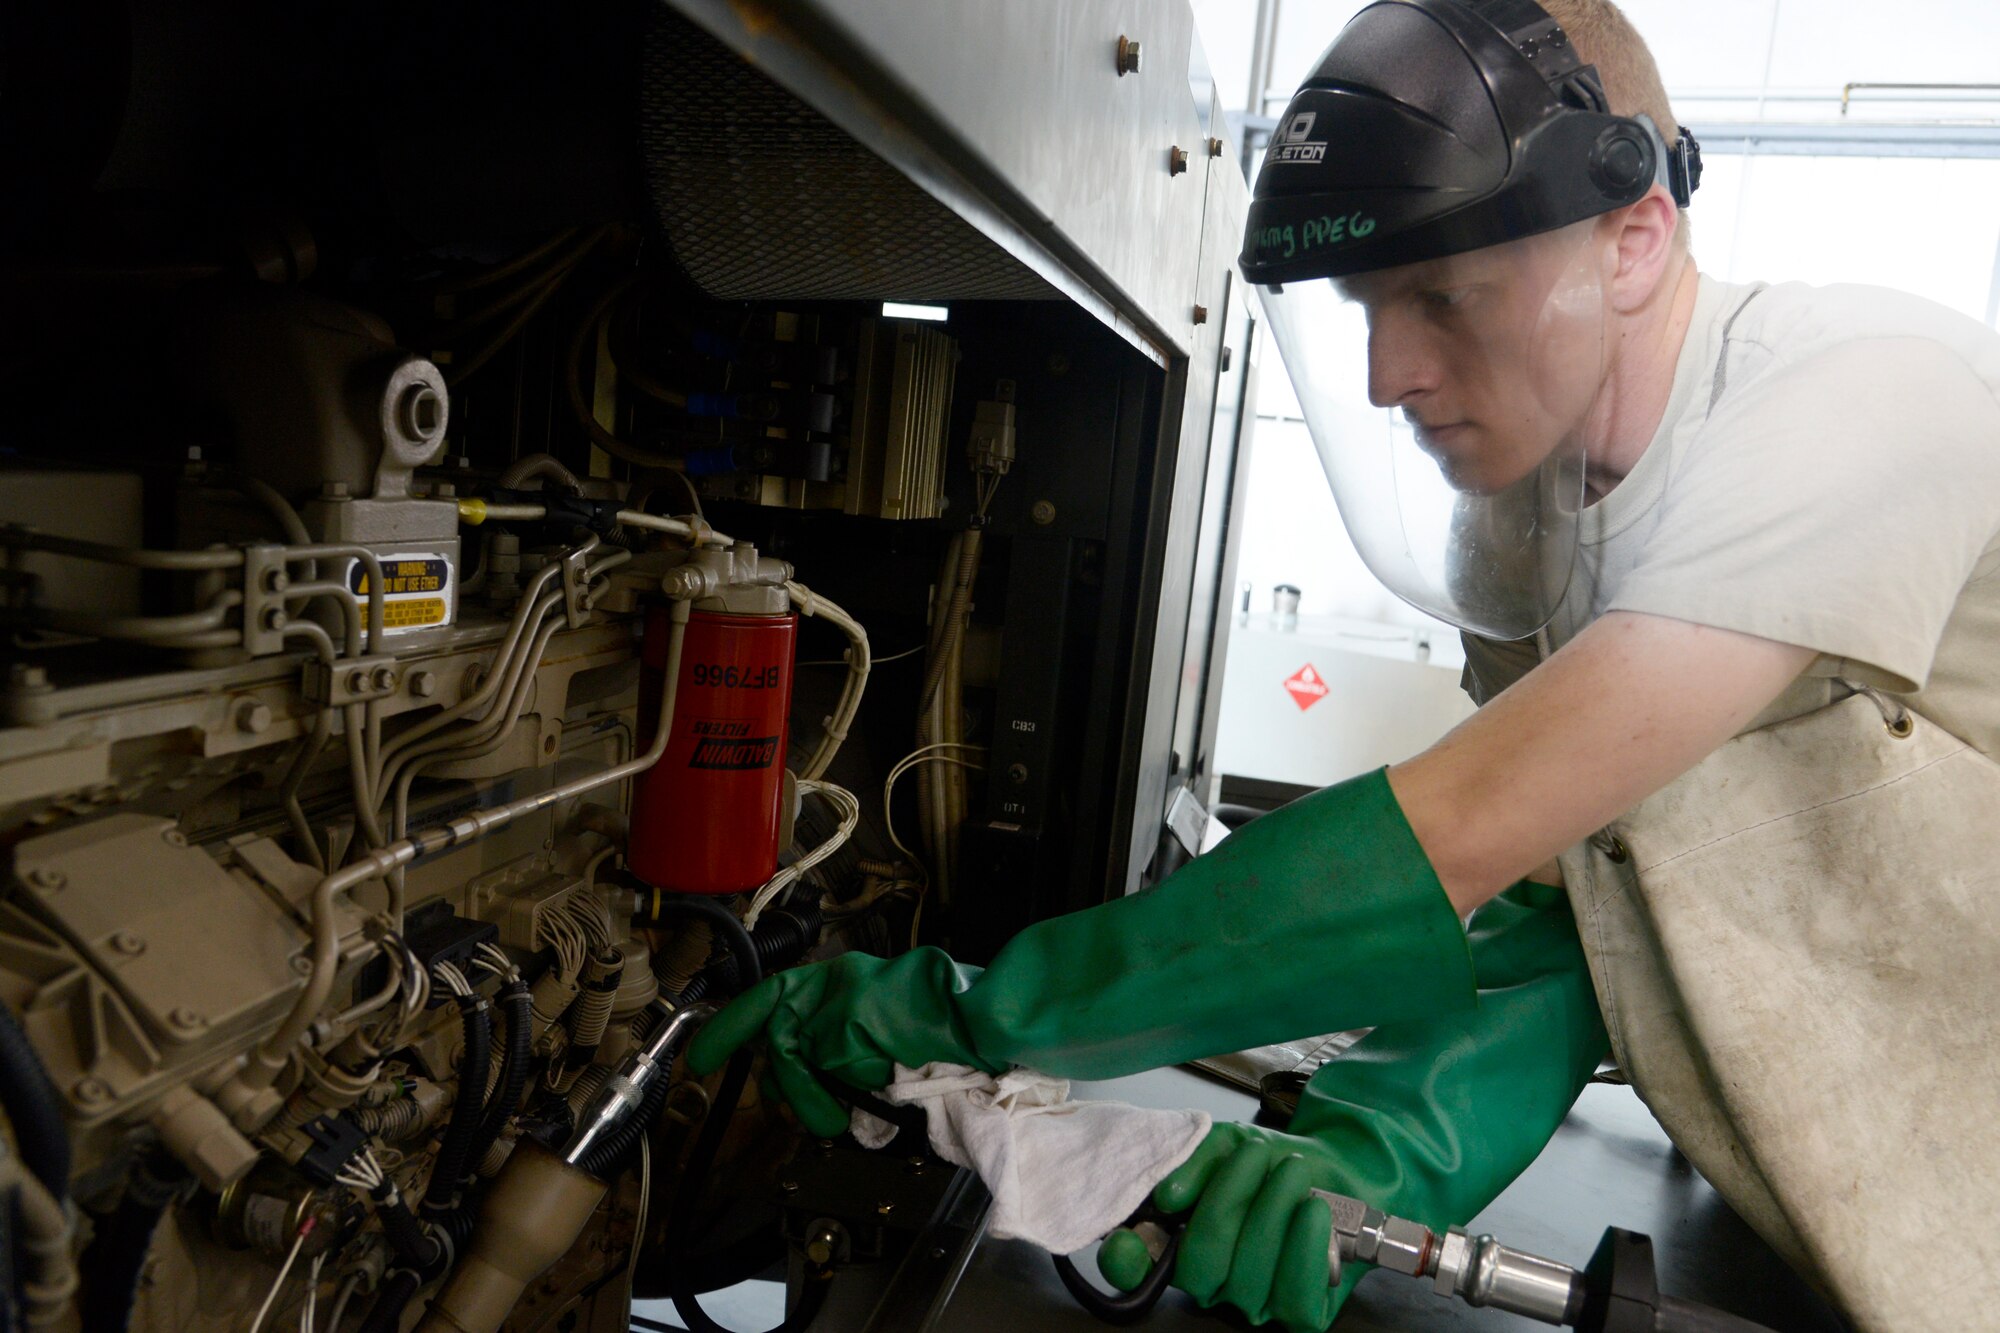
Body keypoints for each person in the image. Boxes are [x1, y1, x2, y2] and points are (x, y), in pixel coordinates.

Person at [690, 1, 2000, 1328]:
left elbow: (1467, 828)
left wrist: (983, 1012)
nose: (1387, 372)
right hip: (1843, 1203)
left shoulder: (1859, 399)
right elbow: (1573, 904)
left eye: (1440, 295)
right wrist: (1372, 1154)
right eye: (1365, 306)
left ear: (1634, 236)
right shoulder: (1520, 536)